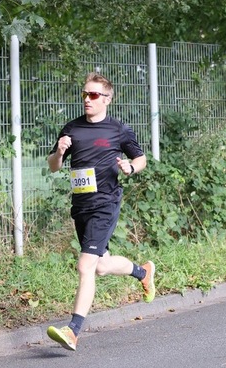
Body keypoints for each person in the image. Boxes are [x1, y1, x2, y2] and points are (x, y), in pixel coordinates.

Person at [45, 72, 155, 352]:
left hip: (105, 204)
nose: (87, 99)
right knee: (102, 266)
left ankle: (73, 331)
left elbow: (140, 158)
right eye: (84, 94)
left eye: (93, 95)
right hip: (81, 206)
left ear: (107, 99)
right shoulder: (72, 128)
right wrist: (59, 152)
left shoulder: (117, 129)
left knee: (85, 266)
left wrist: (130, 167)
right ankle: (143, 273)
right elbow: (53, 166)